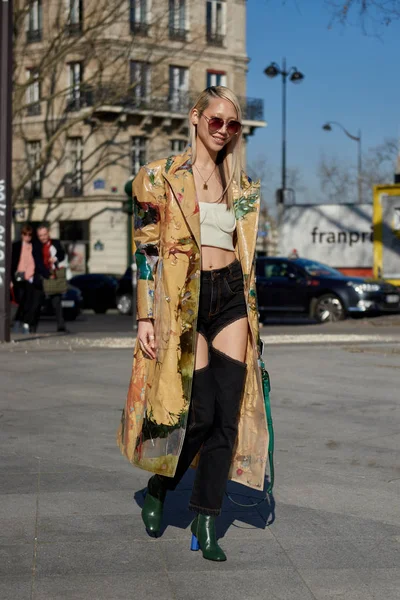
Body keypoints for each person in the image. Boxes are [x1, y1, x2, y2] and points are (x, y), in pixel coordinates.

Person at [117, 86, 270, 562]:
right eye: (216, 121)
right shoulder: (160, 177)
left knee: (226, 415)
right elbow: (145, 249)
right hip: (182, 302)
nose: (223, 131)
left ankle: (207, 519)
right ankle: (161, 486)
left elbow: (244, 259)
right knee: (199, 413)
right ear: (196, 118)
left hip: (230, 299)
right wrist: (143, 315)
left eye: (233, 124)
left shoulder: (242, 187)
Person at [33, 225, 67, 332]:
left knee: (56, 301)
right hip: (41, 275)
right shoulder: (36, 245)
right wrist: (47, 274)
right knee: (37, 303)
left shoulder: (55, 243)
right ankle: (32, 328)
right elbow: (37, 262)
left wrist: (55, 258)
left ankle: (61, 326)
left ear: (48, 233)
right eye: (40, 235)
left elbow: (62, 254)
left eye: (45, 234)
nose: (43, 237)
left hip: (54, 274)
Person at [11, 225, 42, 333]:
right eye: (25, 234)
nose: (27, 237)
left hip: (31, 277)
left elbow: (38, 262)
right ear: (22, 235)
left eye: (29, 235)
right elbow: (11, 263)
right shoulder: (16, 246)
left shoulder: (35, 246)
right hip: (18, 277)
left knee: (30, 303)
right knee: (21, 301)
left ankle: (25, 323)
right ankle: (17, 322)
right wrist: (10, 280)